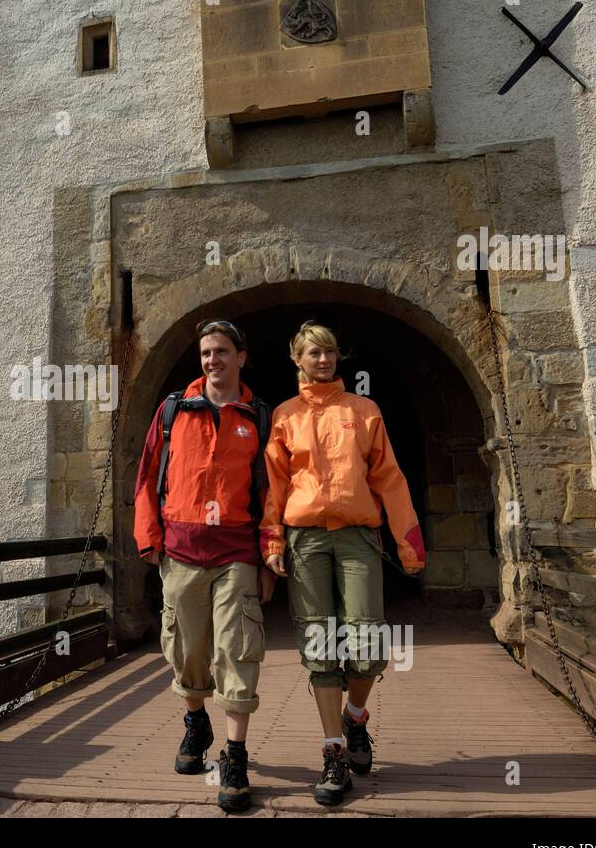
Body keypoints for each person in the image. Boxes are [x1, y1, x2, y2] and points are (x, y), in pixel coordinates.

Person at [261, 320, 425, 805]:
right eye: (313, 353)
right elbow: (274, 486)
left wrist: (408, 543)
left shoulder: (364, 410)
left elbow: (390, 479)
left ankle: (356, 716)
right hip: (306, 538)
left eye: (330, 352)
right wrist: (272, 541)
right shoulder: (285, 417)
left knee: (368, 641)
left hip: (357, 535)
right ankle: (333, 749)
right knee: (318, 640)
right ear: (297, 359)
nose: (324, 360)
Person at [133, 319, 276, 812]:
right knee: (187, 651)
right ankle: (196, 721)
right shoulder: (173, 411)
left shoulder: (258, 416)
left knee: (238, 649)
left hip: (236, 551)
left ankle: (234, 757)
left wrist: (269, 558)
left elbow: (269, 493)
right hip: (181, 551)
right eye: (205, 353)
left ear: (241, 357)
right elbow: (147, 474)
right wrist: (148, 538)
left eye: (220, 351)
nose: (212, 360)